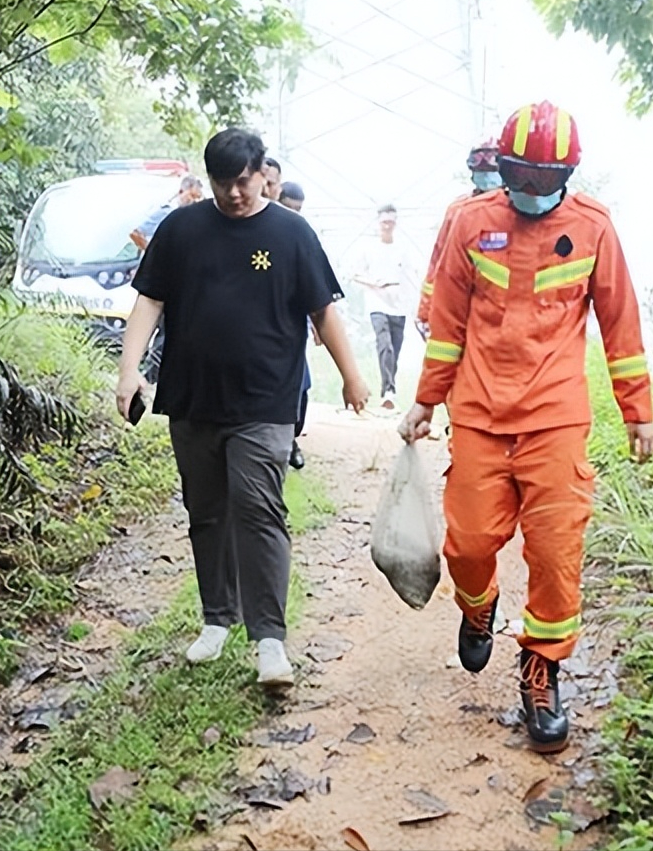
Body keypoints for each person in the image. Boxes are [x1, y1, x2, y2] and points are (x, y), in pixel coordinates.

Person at [398, 101, 653, 753]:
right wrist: (426, 401)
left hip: (555, 418)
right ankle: (478, 603)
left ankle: (541, 669)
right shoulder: (470, 223)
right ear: (502, 165)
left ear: (567, 173)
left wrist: (638, 409)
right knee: (468, 544)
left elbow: (620, 324)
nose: (531, 190)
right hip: (481, 414)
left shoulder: (594, 228)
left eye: (545, 179)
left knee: (554, 552)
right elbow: (449, 326)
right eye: (520, 174)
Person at [116, 128, 369, 687]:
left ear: (261, 174)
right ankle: (217, 618)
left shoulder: (291, 233)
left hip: (264, 401)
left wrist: (352, 376)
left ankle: (270, 640)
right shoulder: (182, 230)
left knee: (258, 511)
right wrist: (128, 370)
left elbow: (324, 310)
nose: (234, 193)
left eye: (243, 181)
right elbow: (150, 300)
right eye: (222, 183)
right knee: (206, 512)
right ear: (209, 180)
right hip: (192, 396)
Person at [414, 139, 503, 340]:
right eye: (480, 163)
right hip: (464, 303)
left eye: (491, 164)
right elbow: (438, 263)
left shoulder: (518, 211)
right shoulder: (459, 211)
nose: (486, 170)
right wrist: (425, 312)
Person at [349, 204, 421, 409]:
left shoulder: (402, 249)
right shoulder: (368, 248)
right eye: (384, 222)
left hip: (399, 304)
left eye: (391, 222)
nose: (387, 226)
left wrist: (417, 304)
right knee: (385, 345)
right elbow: (355, 273)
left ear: (395, 223)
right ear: (378, 223)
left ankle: (390, 388)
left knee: (395, 350)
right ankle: (388, 391)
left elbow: (411, 277)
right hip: (376, 302)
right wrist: (373, 283)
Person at [276, 180, 312, 470]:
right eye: (289, 209)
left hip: (292, 330)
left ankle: (292, 437)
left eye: (298, 210)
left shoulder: (300, 236)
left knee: (300, 391)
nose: (293, 215)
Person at [129, 173, 203, 251]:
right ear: (181, 191)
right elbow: (135, 233)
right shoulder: (168, 211)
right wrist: (153, 254)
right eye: (192, 196)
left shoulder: (190, 217)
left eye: (197, 198)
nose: (194, 201)